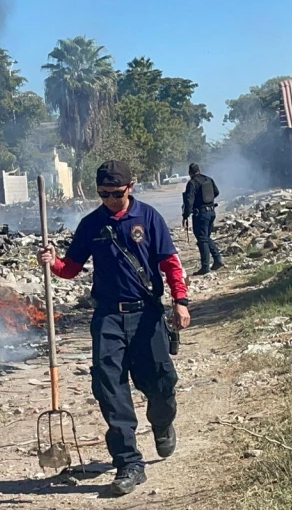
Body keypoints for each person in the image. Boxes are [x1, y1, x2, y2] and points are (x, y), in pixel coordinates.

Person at [37, 160, 190, 496]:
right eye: (103, 193)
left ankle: (162, 422)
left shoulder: (148, 218)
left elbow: (170, 263)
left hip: (146, 315)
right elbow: (71, 268)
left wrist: (181, 301)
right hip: (107, 317)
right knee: (109, 387)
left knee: (161, 382)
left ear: (129, 188)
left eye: (115, 194)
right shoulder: (91, 224)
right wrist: (53, 262)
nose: (109, 199)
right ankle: (128, 462)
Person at [181, 163, 224, 275]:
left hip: (201, 214)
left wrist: (185, 216)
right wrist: (207, 200)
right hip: (211, 212)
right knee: (205, 237)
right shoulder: (208, 179)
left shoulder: (192, 183)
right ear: (199, 170)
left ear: (190, 173)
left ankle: (205, 267)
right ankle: (217, 259)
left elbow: (189, 200)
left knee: (202, 238)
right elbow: (216, 192)